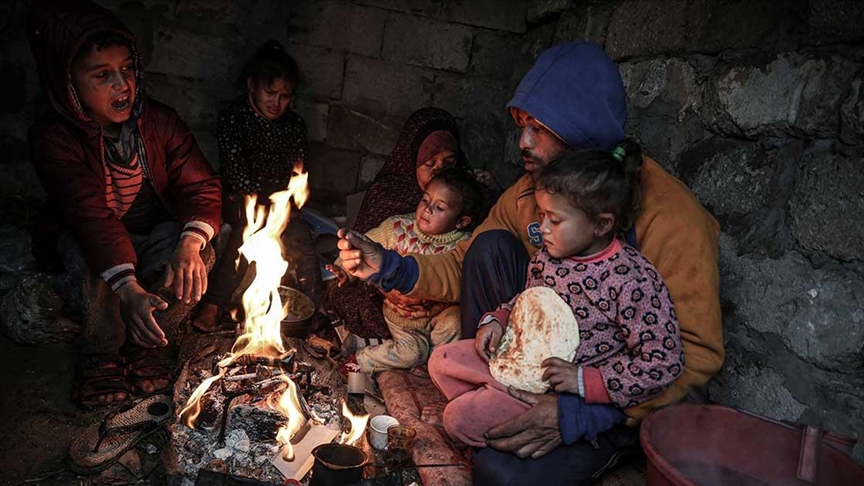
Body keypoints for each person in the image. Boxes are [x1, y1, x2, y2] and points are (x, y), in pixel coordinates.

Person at [336, 42, 722, 483]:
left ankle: (606, 445)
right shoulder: (529, 193)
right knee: (490, 248)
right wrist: (390, 265)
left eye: (538, 128)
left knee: (497, 471)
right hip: (533, 362)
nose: (522, 142)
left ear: (584, 130)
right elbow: (463, 261)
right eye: (521, 125)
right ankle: (502, 387)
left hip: (608, 398)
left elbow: (691, 354)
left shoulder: (672, 217)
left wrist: (579, 413)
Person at [27, 0, 221, 408]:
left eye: (127, 69)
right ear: (68, 84)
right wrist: (128, 287)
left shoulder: (160, 121)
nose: (123, 85)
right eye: (102, 75)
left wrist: (189, 245)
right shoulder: (54, 137)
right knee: (93, 256)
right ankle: (101, 354)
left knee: (200, 252)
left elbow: (200, 186)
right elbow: (90, 216)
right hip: (92, 239)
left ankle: (148, 341)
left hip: (148, 232)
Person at [429, 143, 684, 451]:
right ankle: (493, 398)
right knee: (441, 360)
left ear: (602, 224)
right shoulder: (548, 258)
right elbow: (527, 301)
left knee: (457, 419)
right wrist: (499, 319)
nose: (542, 228)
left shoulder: (632, 281)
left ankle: (491, 409)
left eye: (555, 219)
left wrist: (585, 381)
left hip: (559, 396)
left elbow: (664, 362)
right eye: (542, 215)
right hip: (522, 364)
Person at [192, 40, 323, 332]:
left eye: (285, 96)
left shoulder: (294, 126)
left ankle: (315, 311)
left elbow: (298, 171)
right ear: (252, 85)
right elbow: (234, 167)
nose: (276, 102)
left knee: (302, 239)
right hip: (241, 198)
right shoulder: (234, 118)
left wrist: (285, 207)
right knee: (243, 234)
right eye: (270, 92)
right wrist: (259, 209)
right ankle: (214, 305)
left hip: (280, 203)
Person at [328, 107, 471, 344]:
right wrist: (354, 272)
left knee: (460, 322)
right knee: (350, 299)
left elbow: (469, 275)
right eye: (429, 163)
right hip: (390, 300)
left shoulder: (468, 201)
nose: (439, 171)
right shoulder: (390, 201)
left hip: (438, 306)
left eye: (449, 162)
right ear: (411, 160)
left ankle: (438, 361)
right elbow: (364, 250)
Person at [329, 168, 487, 374]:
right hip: (403, 317)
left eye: (439, 207)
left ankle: (438, 366)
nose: (427, 209)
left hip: (438, 314)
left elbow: (463, 285)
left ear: (461, 221)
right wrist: (343, 269)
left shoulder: (463, 245)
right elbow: (362, 248)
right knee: (413, 353)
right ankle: (362, 360)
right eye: (425, 200)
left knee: (455, 322)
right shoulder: (398, 228)